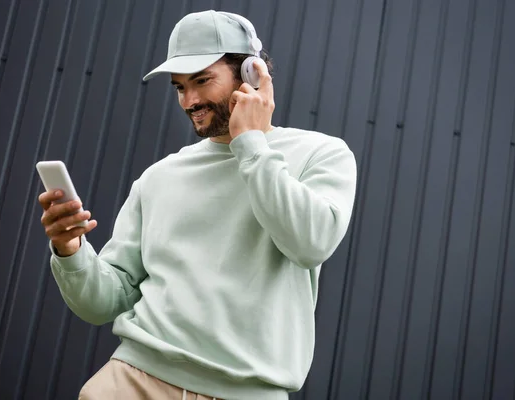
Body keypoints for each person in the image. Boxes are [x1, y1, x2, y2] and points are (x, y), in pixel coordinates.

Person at [38, 9, 357, 400]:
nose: (189, 101)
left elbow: (310, 243)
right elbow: (105, 302)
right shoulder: (158, 178)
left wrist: (252, 145)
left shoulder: (321, 154)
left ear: (252, 75)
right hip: (130, 382)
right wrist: (70, 252)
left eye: (202, 81)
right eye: (179, 87)